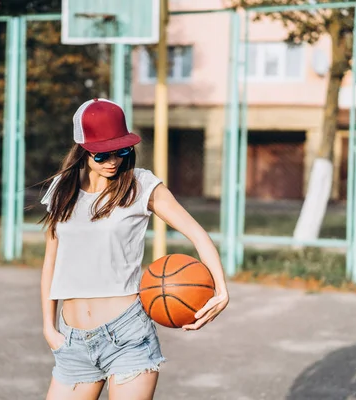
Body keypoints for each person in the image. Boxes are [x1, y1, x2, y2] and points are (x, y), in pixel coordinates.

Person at [39, 98, 229, 400]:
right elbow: (51, 261)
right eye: (103, 154)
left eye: (122, 150)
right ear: (83, 149)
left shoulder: (141, 186)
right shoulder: (63, 188)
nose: (114, 160)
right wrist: (49, 328)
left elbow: (197, 233)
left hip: (127, 335)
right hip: (72, 340)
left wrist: (221, 289)